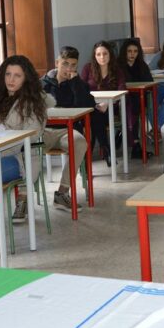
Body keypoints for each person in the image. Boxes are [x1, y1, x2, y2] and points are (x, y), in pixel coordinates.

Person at [0, 56, 52, 249]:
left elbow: (27, 138)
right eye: (8, 74)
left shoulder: (32, 104)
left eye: (17, 76)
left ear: (26, 79)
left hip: (16, 159)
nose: (11, 79)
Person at [41, 46, 94, 211]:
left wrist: (75, 83)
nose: (68, 69)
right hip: (44, 130)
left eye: (73, 65)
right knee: (28, 147)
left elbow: (88, 104)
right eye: (65, 64)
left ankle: (62, 193)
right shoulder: (42, 84)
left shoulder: (78, 84)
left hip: (67, 130)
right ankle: (23, 198)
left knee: (80, 143)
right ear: (57, 63)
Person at [81, 41, 127, 162]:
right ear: (94, 56)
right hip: (91, 108)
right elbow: (81, 90)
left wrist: (108, 104)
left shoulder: (117, 70)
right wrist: (95, 105)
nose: (102, 57)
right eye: (98, 54)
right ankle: (106, 148)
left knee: (95, 118)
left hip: (111, 108)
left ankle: (88, 157)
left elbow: (122, 89)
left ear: (110, 54)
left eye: (105, 54)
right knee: (96, 115)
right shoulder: (87, 68)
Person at [121, 38, 155, 155]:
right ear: (124, 52)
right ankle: (134, 142)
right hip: (123, 99)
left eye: (135, 51)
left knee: (133, 106)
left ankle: (133, 140)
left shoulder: (141, 65)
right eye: (129, 51)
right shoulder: (118, 65)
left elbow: (149, 82)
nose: (132, 54)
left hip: (138, 98)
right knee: (130, 105)